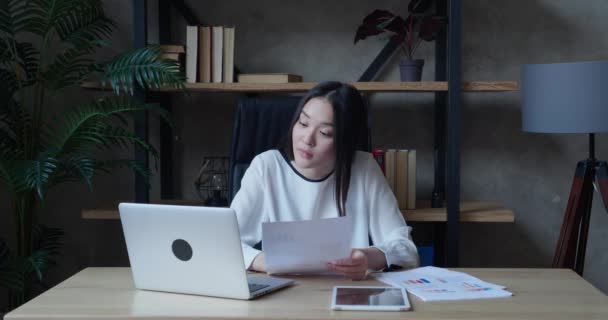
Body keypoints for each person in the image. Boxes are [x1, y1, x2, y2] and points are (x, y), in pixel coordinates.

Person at [230, 81, 419, 280]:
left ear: (344, 140)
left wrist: (367, 258)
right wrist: (265, 261)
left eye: (325, 133)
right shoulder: (266, 167)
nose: (307, 139)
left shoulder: (364, 168)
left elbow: (406, 249)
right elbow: (224, 242)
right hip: (284, 294)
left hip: (348, 295)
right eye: (303, 123)